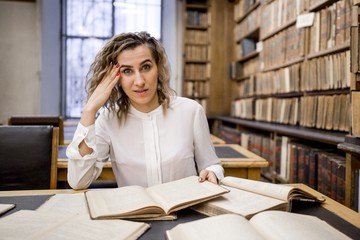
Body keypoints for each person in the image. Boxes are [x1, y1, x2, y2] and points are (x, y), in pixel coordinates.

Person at [66, 31, 224, 189]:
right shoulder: (108, 119)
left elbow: (211, 164)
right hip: (136, 212)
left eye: (146, 67)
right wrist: (89, 111)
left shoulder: (191, 111)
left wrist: (212, 172)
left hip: (186, 212)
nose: (140, 81)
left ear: (158, 68)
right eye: (127, 71)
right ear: (116, 77)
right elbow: (78, 181)